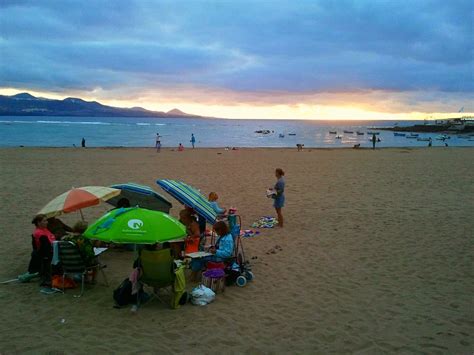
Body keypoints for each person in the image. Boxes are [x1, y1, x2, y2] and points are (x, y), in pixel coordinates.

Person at [31, 214, 56, 286]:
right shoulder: (39, 233)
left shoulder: (44, 229)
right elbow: (45, 247)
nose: (47, 222)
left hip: (50, 251)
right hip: (47, 254)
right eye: (44, 221)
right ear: (39, 223)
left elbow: (51, 238)